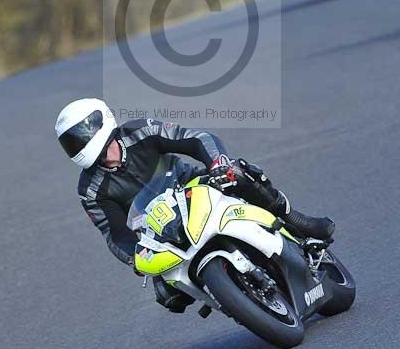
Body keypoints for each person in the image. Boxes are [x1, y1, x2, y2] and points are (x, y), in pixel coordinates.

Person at [55, 98, 335, 313]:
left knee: (241, 174)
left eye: (103, 147)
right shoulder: (90, 189)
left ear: (105, 126)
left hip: (194, 188)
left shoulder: (141, 131)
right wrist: (136, 259)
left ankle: (298, 222)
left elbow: (196, 139)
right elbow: (114, 234)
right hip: (160, 232)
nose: (104, 158)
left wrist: (218, 164)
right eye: (74, 142)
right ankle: (232, 296)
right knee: (168, 295)